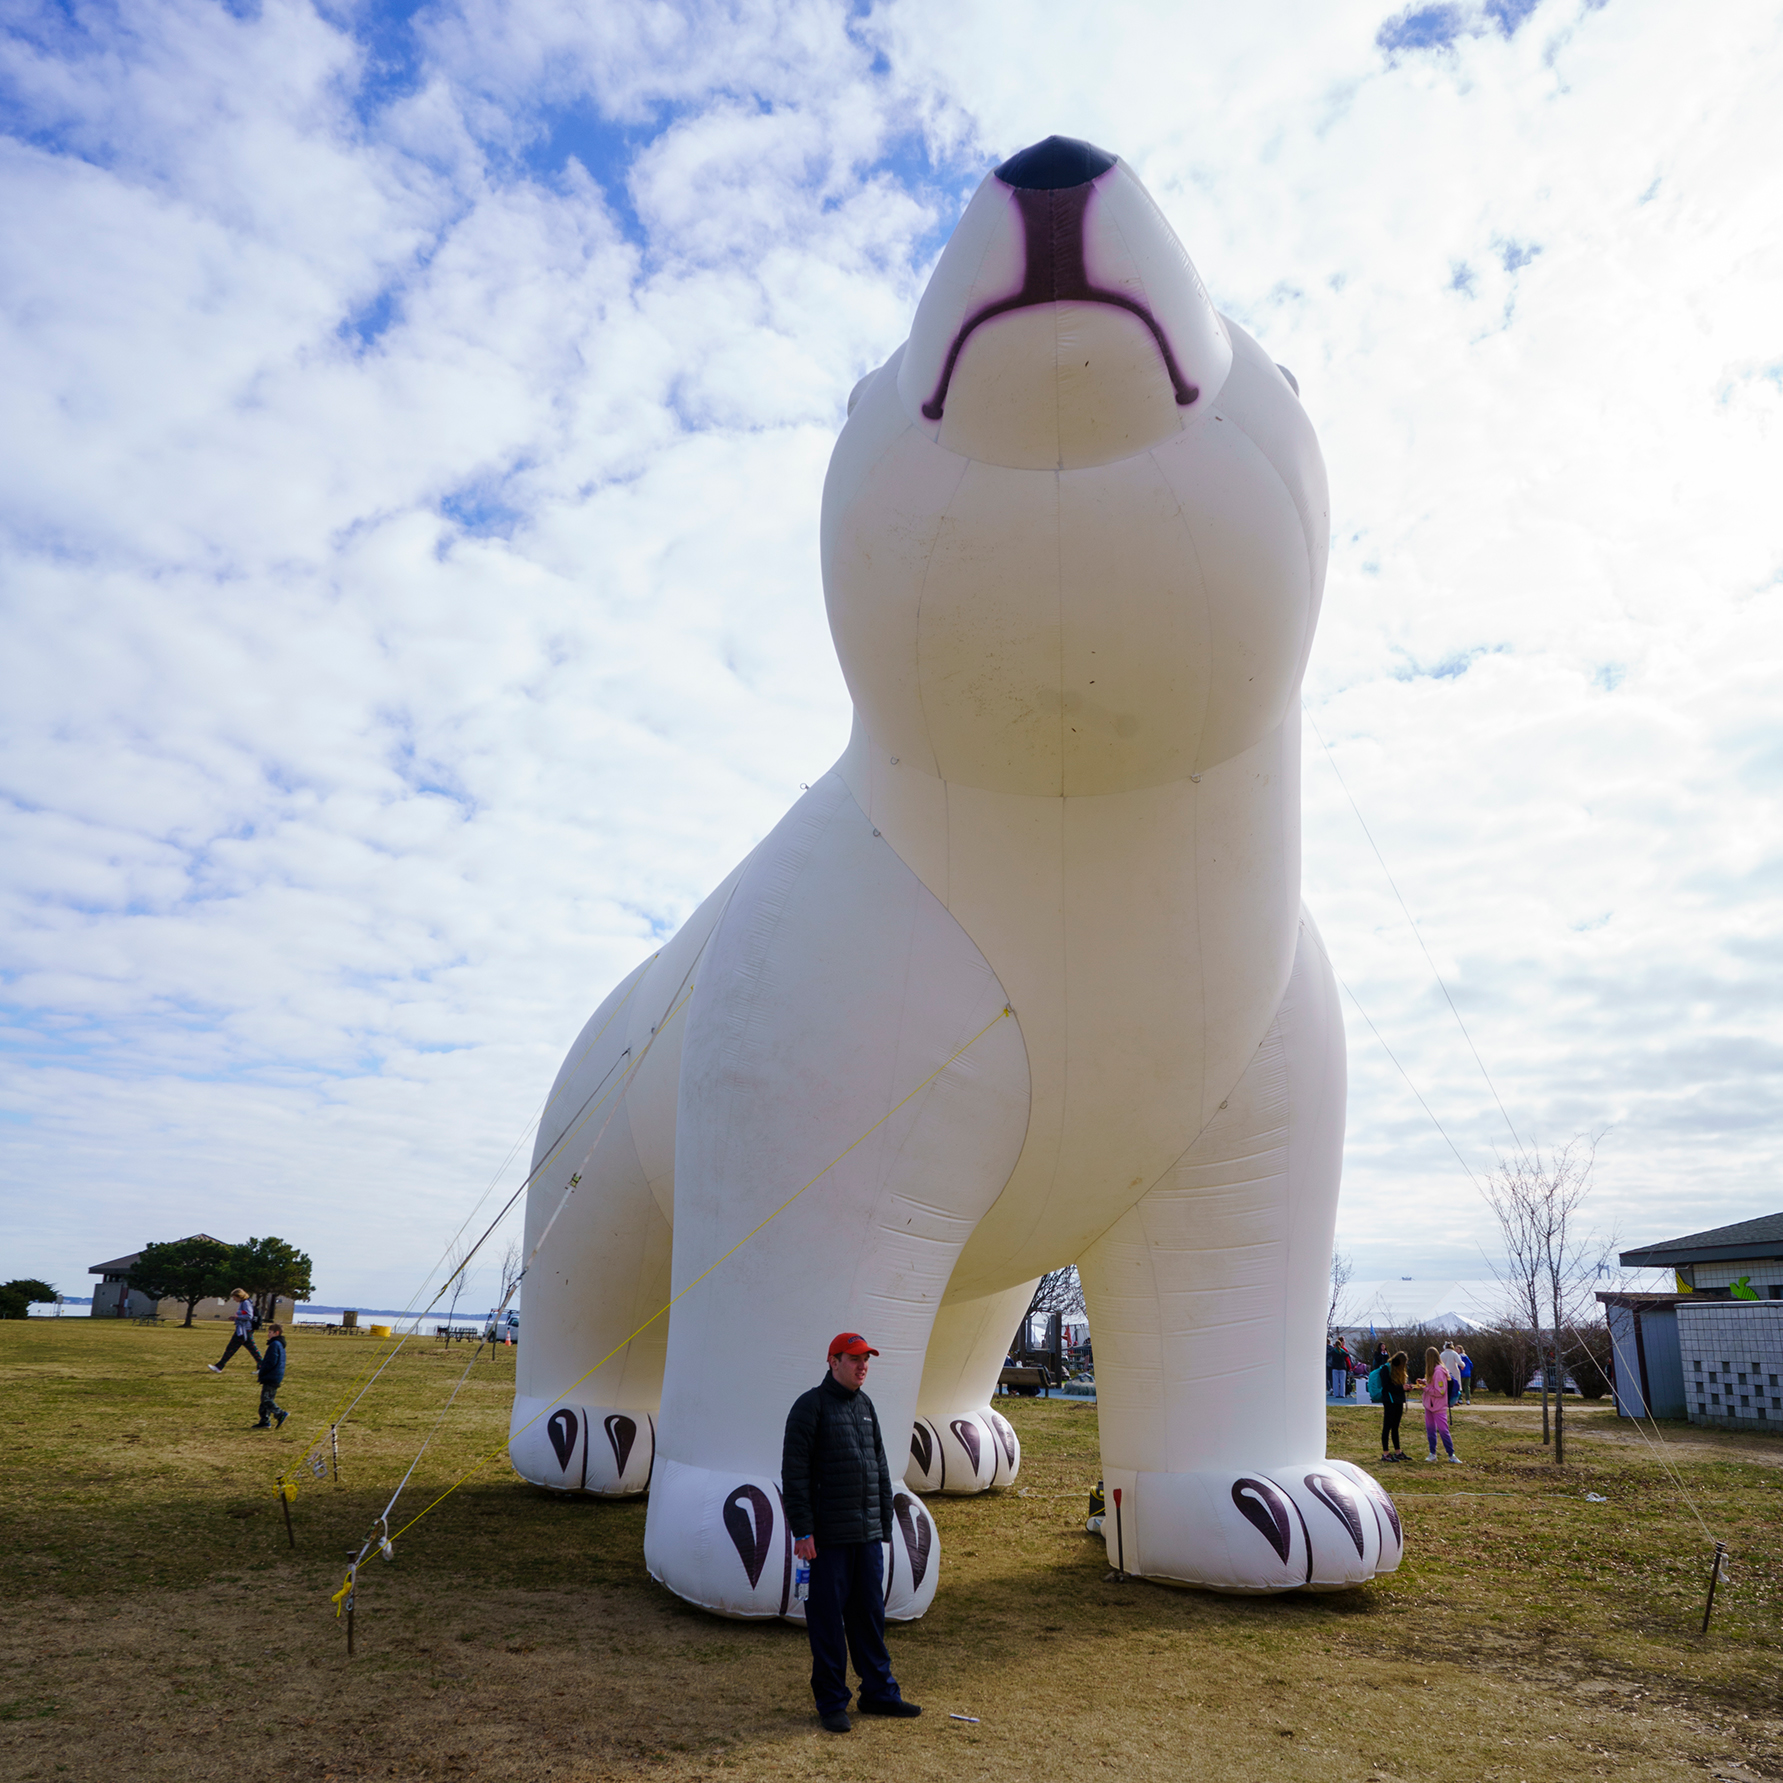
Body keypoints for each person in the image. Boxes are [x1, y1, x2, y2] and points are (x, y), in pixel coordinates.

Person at [783, 1333, 922, 1735]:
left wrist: (881, 1522)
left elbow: (878, 1466)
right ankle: (831, 1702)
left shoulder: (865, 1406)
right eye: (855, 1359)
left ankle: (879, 1692)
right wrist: (803, 1530)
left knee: (869, 1616)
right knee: (827, 1622)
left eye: (867, 1360)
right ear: (833, 1361)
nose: (863, 1366)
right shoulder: (810, 1407)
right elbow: (794, 1475)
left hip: (865, 1536)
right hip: (826, 1541)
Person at [207, 1290, 261, 1373]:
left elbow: (249, 1316)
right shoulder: (245, 1302)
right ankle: (262, 1367)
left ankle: (219, 1367)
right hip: (245, 1330)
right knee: (252, 1350)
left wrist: (238, 1316)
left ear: (239, 1296)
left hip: (243, 1330)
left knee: (231, 1348)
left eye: (234, 1297)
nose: (234, 1299)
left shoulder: (245, 1303)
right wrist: (235, 1317)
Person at [1421, 1345, 1459, 1461]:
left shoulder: (1438, 1371)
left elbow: (1439, 1391)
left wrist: (1425, 1389)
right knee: (1430, 1430)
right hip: (1430, 1405)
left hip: (1438, 1406)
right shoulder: (1433, 1371)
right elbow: (1433, 1384)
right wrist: (1424, 1382)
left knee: (1443, 1430)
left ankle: (1451, 1454)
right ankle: (1432, 1453)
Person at [254, 1324, 288, 1429]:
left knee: (266, 1399)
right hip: (276, 1375)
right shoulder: (280, 1345)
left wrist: (263, 1370)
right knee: (266, 1399)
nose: (268, 1334)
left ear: (276, 1333)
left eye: (270, 1332)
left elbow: (271, 1361)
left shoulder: (274, 1344)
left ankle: (280, 1413)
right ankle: (264, 1421)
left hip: (271, 1376)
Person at [1379, 1351, 1408, 1463]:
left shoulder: (1399, 1371)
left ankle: (1398, 1452)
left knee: (1395, 1426)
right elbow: (1386, 1387)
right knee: (1387, 1426)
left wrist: (1405, 1388)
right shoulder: (1386, 1369)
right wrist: (1402, 1388)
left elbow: (1398, 1386)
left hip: (1398, 1400)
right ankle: (1385, 1453)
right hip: (1389, 1400)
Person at [1439, 1339, 1464, 1413]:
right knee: (1455, 1387)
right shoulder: (1454, 1353)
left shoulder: (1442, 1354)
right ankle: (1455, 1400)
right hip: (1454, 1372)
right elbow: (1459, 1362)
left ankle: (1445, 1400)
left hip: (1445, 1373)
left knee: (1446, 1387)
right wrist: (1463, 1365)